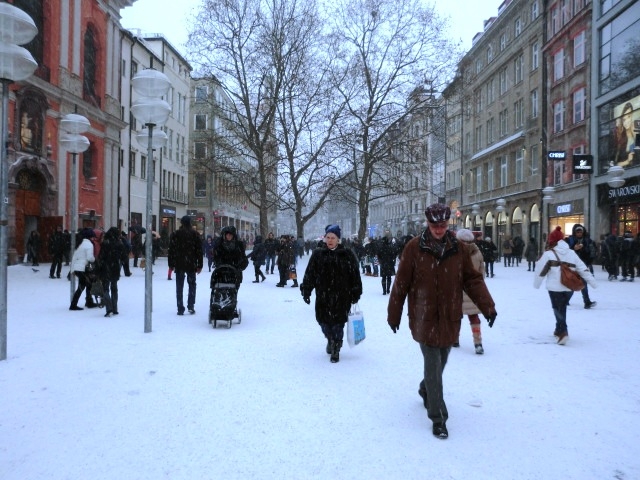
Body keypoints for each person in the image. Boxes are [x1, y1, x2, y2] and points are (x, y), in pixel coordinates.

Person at [387, 204, 497, 440]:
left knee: (441, 362)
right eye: (435, 225)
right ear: (428, 224)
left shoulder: (458, 247)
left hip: (450, 317)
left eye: (443, 225)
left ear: (448, 224)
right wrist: (393, 313)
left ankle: (426, 388)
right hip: (423, 315)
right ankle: (438, 417)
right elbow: (401, 283)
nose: (439, 230)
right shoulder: (414, 247)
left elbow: (473, 280)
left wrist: (488, 306)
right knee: (433, 365)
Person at [300, 224, 362, 363]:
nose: (330, 240)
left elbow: (355, 275)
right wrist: (306, 290)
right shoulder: (318, 254)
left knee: (338, 323)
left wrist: (355, 291)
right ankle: (329, 338)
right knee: (324, 323)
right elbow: (310, 273)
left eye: (333, 237)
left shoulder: (347, 254)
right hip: (323, 295)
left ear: (338, 239)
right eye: (327, 237)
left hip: (342, 296)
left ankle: (336, 347)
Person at [534, 226, 597, 345]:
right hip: (569, 285)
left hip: (554, 287)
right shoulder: (572, 253)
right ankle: (558, 329)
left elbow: (540, 270)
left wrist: (537, 284)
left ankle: (563, 332)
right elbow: (583, 268)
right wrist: (593, 283)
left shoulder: (549, 254)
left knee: (558, 308)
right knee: (561, 307)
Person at [454, 229, 487, 355]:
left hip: (457, 290)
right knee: (474, 317)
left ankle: (455, 339)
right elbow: (482, 273)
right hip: (473, 290)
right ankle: (478, 343)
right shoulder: (477, 253)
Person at [168, 216, 204, 315]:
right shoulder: (195, 234)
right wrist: (199, 265)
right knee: (192, 284)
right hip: (191, 263)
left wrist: (171, 264)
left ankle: (180, 307)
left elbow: (171, 250)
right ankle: (191, 305)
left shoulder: (175, 234)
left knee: (179, 286)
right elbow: (199, 251)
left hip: (179, 263)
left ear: (182, 223)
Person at [98, 227, 128, 317]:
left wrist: (99, 267)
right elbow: (124, 257)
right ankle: (115, 308)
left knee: (105, 288)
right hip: (115, 267)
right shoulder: (119, 243)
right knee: (114, 288)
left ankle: (109, 307)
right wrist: (126, 270)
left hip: (105, 267)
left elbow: (101, 256)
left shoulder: (105, 243)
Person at [567, 224, 597, 308]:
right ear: (574, 232)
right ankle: (566, 300)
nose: (579, 233)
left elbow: (592, 251)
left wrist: (585, 253)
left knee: (583, 284)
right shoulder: (570, 240)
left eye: (580, 232)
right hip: (573, 266)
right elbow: (565, 250)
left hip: (583, 265)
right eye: (577, 232)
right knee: (573, 284)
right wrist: (573, 248)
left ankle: (586, 302)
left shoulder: (587, 241)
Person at [69, 229, 96, 311]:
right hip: (83, 268)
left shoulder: (80, 244)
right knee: (83, 286)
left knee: (87, 284)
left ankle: (87, 301)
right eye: (92, 237)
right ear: (89, 237)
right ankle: (75, 304)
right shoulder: (89, 245)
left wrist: (72, 269)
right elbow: (90, 258)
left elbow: (74, 257)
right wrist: (94, 259)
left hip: (77, 268)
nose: (93, 239)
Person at [377, 230, 398, 295]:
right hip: (389, 263)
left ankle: (384, 290)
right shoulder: (391, 246)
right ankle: (388, 289)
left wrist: (380, 260)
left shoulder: (381, 247)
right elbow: (394, 254)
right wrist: (392, 259)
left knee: (383, 277)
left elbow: (378, 254)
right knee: (389, 277)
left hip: (383, 263)